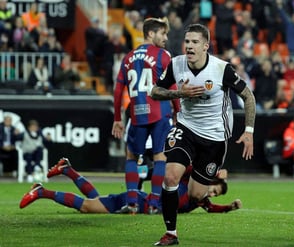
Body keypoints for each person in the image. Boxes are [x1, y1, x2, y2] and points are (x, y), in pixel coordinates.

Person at [150, 23, 256, 245]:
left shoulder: (221, 69)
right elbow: (155, 91)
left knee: (196, 196)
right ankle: (171, 234)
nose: (189, 46)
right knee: (170, 176)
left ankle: (205, 190)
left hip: (214, 137)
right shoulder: (176, 64)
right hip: (186, 128)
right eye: (187, 41)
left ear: (206, 46)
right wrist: (179, 93)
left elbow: (248, 97)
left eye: (194, 42)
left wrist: (248, 131)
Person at [112, 18, 179, 214]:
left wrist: (117, 118)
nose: (166, 38)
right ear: (151, 34)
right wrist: (178, 112)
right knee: (160, 157)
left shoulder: (128, 57)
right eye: (163, 34)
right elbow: (172, 86)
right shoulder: (163, 55)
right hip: (160, 112)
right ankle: (154, 204)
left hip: (137, 113)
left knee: (132, 156)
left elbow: (117, 90)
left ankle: (132, 203)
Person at [19, 158, 241, 214]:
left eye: (214, 193)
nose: (210, 194)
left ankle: (66, 169)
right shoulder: (187, 180)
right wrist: (217, 168)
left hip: (139, 203)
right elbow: (194, 166)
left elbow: (212, 208)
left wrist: (230, 207)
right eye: (212, 188)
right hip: (137, 203)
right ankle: (42, 191)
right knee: (87, 206)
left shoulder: (199, 200)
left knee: (95, 201)